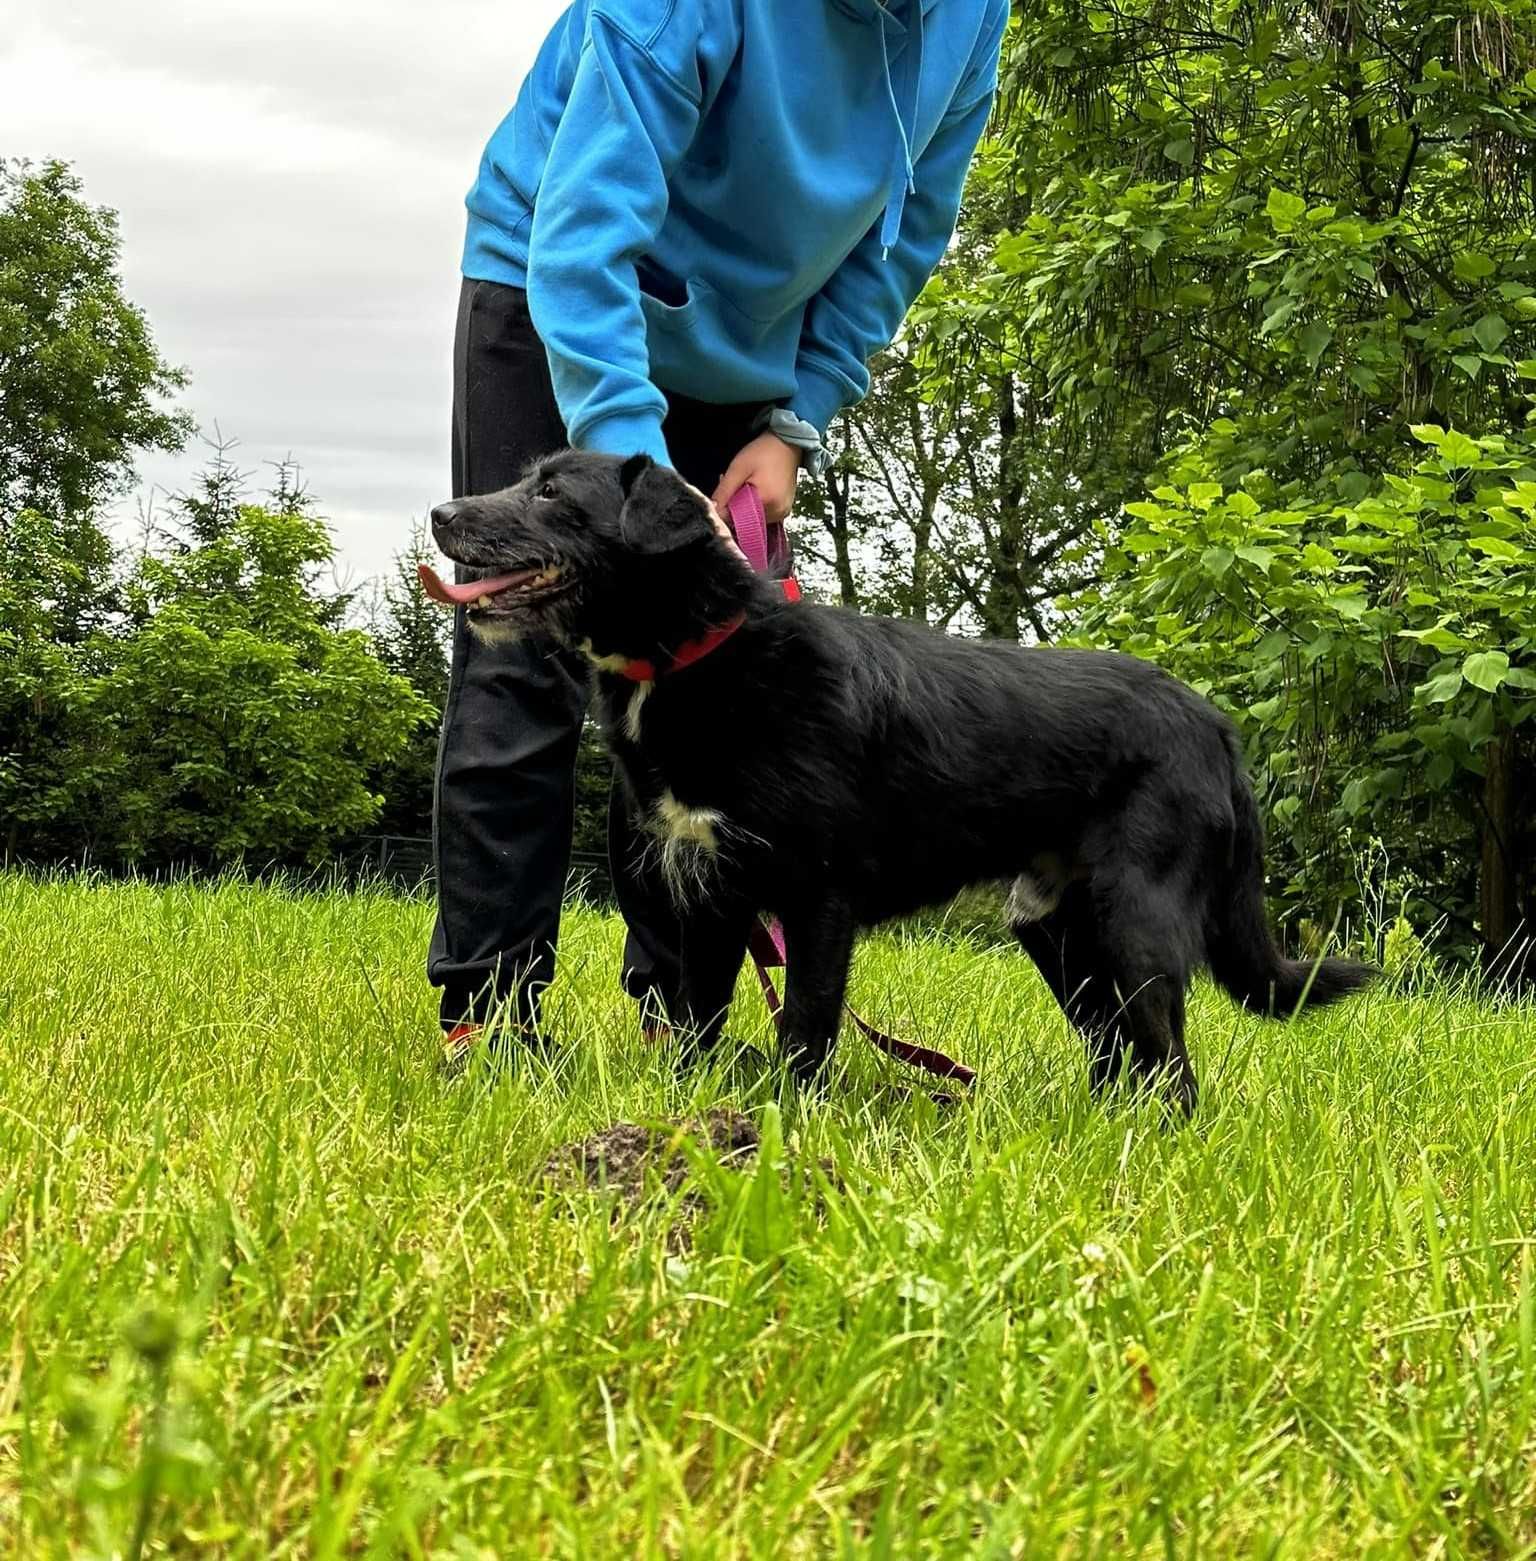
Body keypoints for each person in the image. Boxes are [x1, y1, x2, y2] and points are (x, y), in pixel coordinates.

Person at [431, 0, 1010, 1060]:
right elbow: (583, 232)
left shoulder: (974, 17)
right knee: (526, 658)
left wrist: (797, 421)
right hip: (559, 285)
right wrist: (624, 459)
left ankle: (679, 1020)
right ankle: (492, 1012)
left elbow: (909, 231)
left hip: (748, 349)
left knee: (717, 679)